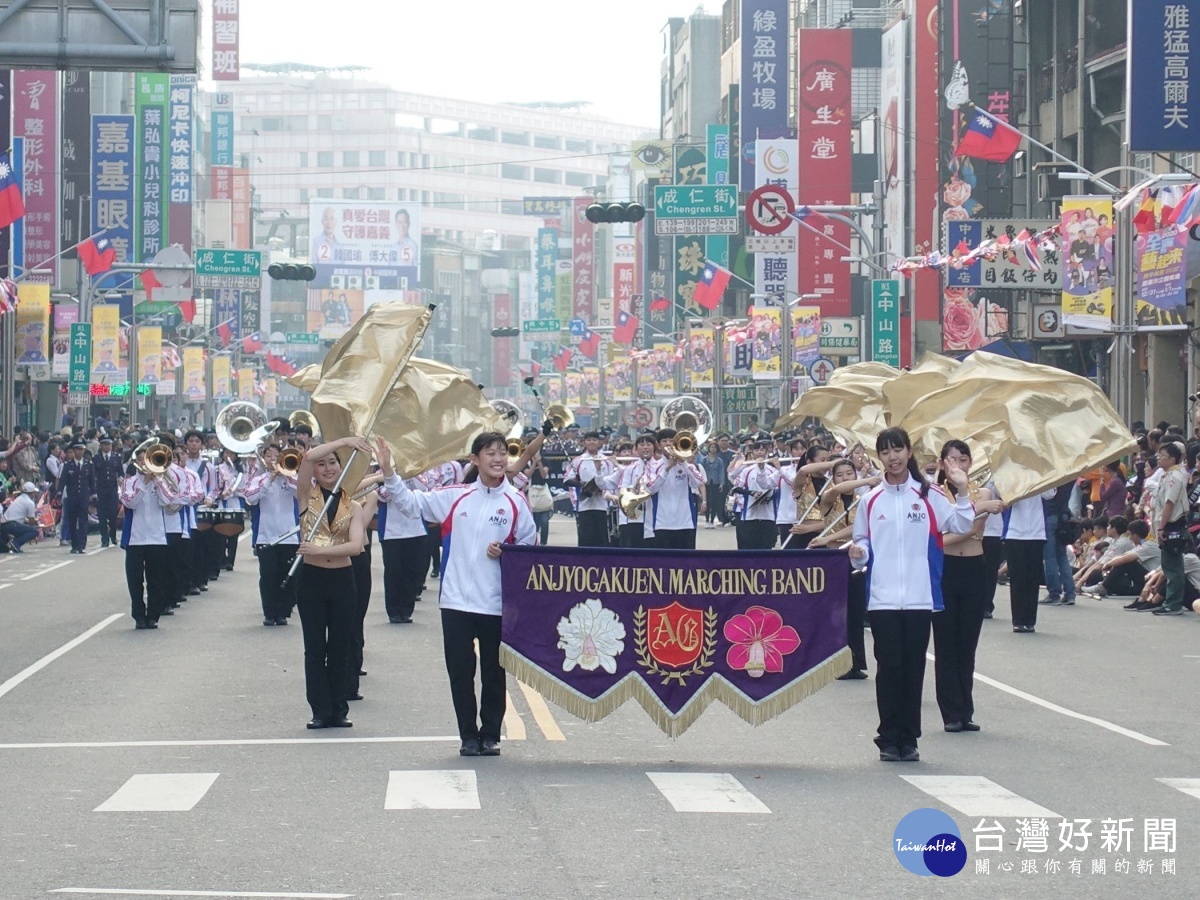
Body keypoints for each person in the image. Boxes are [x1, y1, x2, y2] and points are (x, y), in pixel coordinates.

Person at [375, 432, 536, 758]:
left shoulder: (516, 502)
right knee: (460, 672)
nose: (498, 459)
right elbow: (410, 504)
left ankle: (490, 734)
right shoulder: (456, 496)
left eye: (503, 453)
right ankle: (468, 735)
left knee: (494, 671)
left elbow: (529, 549)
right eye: (490, 453)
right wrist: (389, 473)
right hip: (456, 602)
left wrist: (506, 552)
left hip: (495, 603)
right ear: (475, 460)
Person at [849, 427, 978, 763]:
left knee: (913, 667)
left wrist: (962, 489)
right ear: (879, 457)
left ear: (909, 452)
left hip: (920, 597)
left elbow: (962, 525)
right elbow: (861, 539)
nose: (892, 458)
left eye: (898, 450)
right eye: (886, 452)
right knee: (889, 667)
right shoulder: (870, 500)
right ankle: (888, 737)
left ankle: (910, 738)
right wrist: (859, 552)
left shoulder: (929, 494)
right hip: (882, 598)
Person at [293, 435, 368, 730]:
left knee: (339, 647)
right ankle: (320, 710)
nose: (326, 468)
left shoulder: (354, 507)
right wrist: (345, 441)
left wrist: (320, 550)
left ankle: (339, 708)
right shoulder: (305, 497)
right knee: (314, 649)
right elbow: (308, 456)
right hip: (311, 580)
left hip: (342, 580)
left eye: (333, 463)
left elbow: (356, 547)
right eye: (323, 464)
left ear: (341, 468)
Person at [930, 441, 1003, 732]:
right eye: (952, 460)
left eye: (963, 459)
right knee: (945, 643)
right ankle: (950, 712)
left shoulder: (981, 491)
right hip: (945, 569)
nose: (958, 465)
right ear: (942, 464)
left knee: (967, 643)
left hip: (974, 568)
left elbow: (970, 529)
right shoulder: (935, 495)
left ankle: (966, 710)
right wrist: (982, 508)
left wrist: (978, 507)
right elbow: (943, 531)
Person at [809, 459, 880, 679]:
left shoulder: (864, 500)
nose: (845, 478)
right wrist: (869, 479)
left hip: (854, 556)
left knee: (855, 612)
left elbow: (859, 527)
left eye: (850, 474)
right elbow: (838, 489)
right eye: (840, 474)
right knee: (833, 613)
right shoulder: (829, 497)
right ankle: (832, 662)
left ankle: (855, 662)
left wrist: (828, 536)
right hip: (832, 558)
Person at [120, 448, 179, 629]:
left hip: (157, 538)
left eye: (147, 459)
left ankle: (153, 615)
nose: (144, 463)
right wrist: (144, 484)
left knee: (156, 580)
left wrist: (157, 481)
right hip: (135, 539)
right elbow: (130, 502)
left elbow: (168, 501)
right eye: (140, 459)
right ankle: (138, 615)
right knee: (135, 579)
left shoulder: (159, 481)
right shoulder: (129, 482)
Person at [243, 444, 300, 626]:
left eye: (277, 455)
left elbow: (303, 494)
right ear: (264, 459)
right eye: (269, 456)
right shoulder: (258, 479)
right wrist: (270, 479)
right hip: (265, 536)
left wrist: (287, 476)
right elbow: (251, 498)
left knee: (287, 575)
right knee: (268, 575)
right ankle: (269, 613)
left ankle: (283, 612)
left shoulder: (292, 478)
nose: (273, 459)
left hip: (289, 535)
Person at [377, 467, 429, 625]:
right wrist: (393, 477)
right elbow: (383, 495)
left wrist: (408, 476)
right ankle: (393, 610)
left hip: (415, 530)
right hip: (391, 532)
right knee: (393, 571)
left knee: (412, 571)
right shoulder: (382, 474)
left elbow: (423, 489)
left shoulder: (417, 474)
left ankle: (406, 610)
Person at [644, 428, 706, 549]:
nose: (668, 444)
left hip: (685, 521)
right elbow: (650, 489)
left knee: (685, 562)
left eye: (671, 441)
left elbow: (698, 482)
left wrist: (683, 463)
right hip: (662, 522)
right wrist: (667, 469)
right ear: (658, 445)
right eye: (664, 441)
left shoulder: (688, 465)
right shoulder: (653, 466)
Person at [1152, 441, 1190, 616]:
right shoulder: (1167, 476)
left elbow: (1169, 503)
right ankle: (1170, 601)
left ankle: (1173, 603)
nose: (1159, 459)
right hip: (1167, 523)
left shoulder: (1175, 477)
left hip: (1172, 524)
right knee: (1168, 564)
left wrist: (1161, 528)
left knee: (1173, 566)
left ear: (1173, 459)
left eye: (1163, 456)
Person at [563, 431, 614, 547]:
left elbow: (613, 481)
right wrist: (583, 485)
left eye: (594, 440)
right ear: (584, 443)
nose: (592, 442)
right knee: (585, 539)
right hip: (584, 506)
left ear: (599, 442)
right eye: (589, 440)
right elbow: (567, 479)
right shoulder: (577, 461)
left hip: (602, 505)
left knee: (602, 540)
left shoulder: (607, 460)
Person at [59, 441, 94, 554]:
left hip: (84, 496)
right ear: (74, 451)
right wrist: (59, 492)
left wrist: (93, 494)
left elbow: (92, 481)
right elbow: (63, 480)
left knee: (83, 521)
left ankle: (82, 544)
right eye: (77, 449)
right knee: (72, 521)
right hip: (72, 497)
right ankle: (74, 545)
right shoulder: (68, 465)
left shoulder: (88, 464)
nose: (79, 452)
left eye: (81, 449)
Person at [93, 435, 123, 548]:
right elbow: (93, 474)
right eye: (105, 444)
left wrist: (120, 478)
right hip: (100, 489)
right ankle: (104, 538)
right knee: (102, 515)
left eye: (109, 444)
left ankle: (113, 536)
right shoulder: (96, 458)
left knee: (112, 514)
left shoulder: (116, 457)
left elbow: (120, 472)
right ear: (101, 446)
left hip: (112, 489)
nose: (107, 446)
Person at [1, 482, 41, 553]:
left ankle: (11, 544)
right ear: (32, 493)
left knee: (4, 549)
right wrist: (37, 522)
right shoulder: (29, 502)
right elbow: (31, 521)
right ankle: (16, 543)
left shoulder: (19, 499)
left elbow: (20, 517)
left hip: (4, 524)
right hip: (12, 525)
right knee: (34, 532)